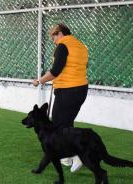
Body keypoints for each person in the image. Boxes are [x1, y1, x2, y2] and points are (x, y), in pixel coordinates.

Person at [32, 23, 89, 173]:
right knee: (67, 123)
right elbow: (75, 68)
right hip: (81, 89)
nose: (54, 41)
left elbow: (55, 71)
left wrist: (39, 81)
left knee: (58, 124)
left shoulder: (63, 46)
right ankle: (67, 157)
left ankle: (78, 155)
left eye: (54, 36)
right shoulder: (81, 46)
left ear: (60, 33)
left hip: (68, 91)